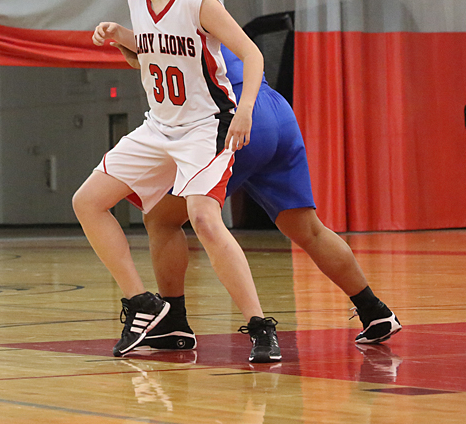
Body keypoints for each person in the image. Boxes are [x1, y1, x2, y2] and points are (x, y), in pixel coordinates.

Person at [73, 0, 281, 364]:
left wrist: (244, 110)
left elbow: (252, 54)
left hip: (206, 125)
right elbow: (153, 56)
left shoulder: (196, 0)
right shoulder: (136, 0)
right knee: (87, 202)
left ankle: (261, 326)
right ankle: (143, 303)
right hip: (159, 127)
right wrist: (122, 38)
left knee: (203, 218)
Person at [111, 40, 402, 350]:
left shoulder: (177, 10)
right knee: (309, 229)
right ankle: (374, 310)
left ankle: (175, 321)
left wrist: (124, 37)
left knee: (161, 219)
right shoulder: (209, 19)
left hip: (237, 118)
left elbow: (158, 50)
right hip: (276, 113)